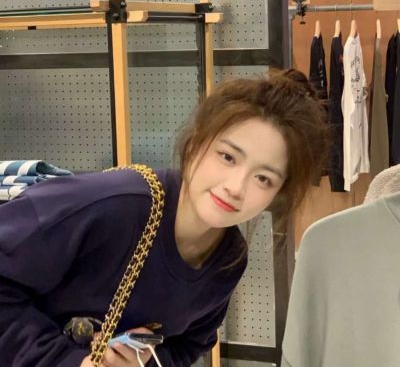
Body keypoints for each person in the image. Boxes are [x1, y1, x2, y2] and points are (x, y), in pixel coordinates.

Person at [0, 69, 329, 367]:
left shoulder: (228, 260)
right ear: (196, 143)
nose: (236, 187)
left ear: (278, 193)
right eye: (228, 157)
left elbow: (189, 345)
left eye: (263, 178)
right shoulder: (112, 205)